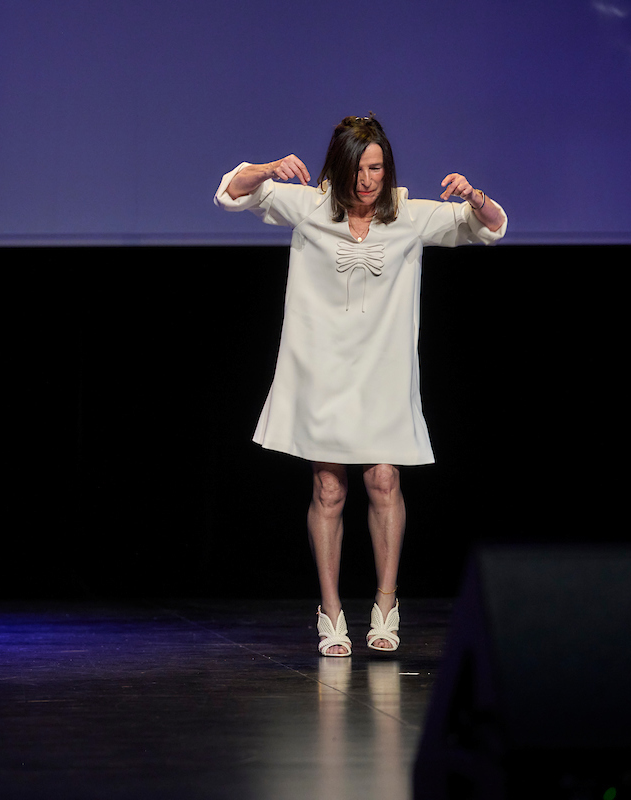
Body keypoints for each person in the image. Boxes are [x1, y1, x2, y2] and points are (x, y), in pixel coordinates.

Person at [214, 115, 506, 657]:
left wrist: (475, 195)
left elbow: (490, 227)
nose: (368, 180)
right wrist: (269, 168)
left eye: (376, 168)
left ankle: (386, 604)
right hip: (322, 369)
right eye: (358, 169)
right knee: (328, 489)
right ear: (339, 168)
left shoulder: (409, 217)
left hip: (383, 372)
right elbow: (232, 192)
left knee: (384, 480)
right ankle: (330, 612)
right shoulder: (311, 208)